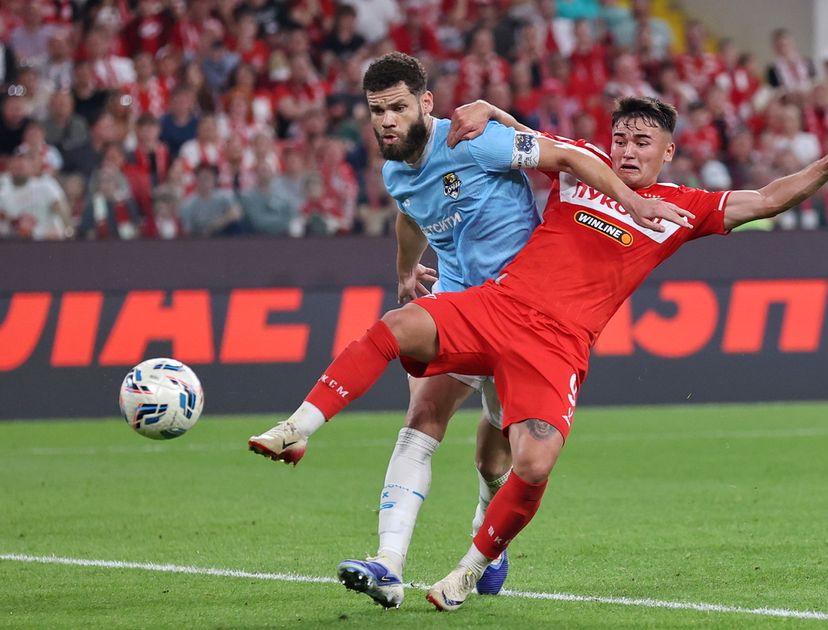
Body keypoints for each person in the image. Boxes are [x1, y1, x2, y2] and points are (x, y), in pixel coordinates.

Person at [247, 52, 693, 609]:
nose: (386, 120)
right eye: (377, 111)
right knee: (421, 418)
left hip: (522, 310)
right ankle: (387, 563)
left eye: (397, 107)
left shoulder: (475, 141)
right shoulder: (393, 170)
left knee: (494, 459)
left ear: (425, 103)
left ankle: (488, 530)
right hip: (461, 302)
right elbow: (410, 212)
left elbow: (560, 153)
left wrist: (631, 200)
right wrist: (405, 271)